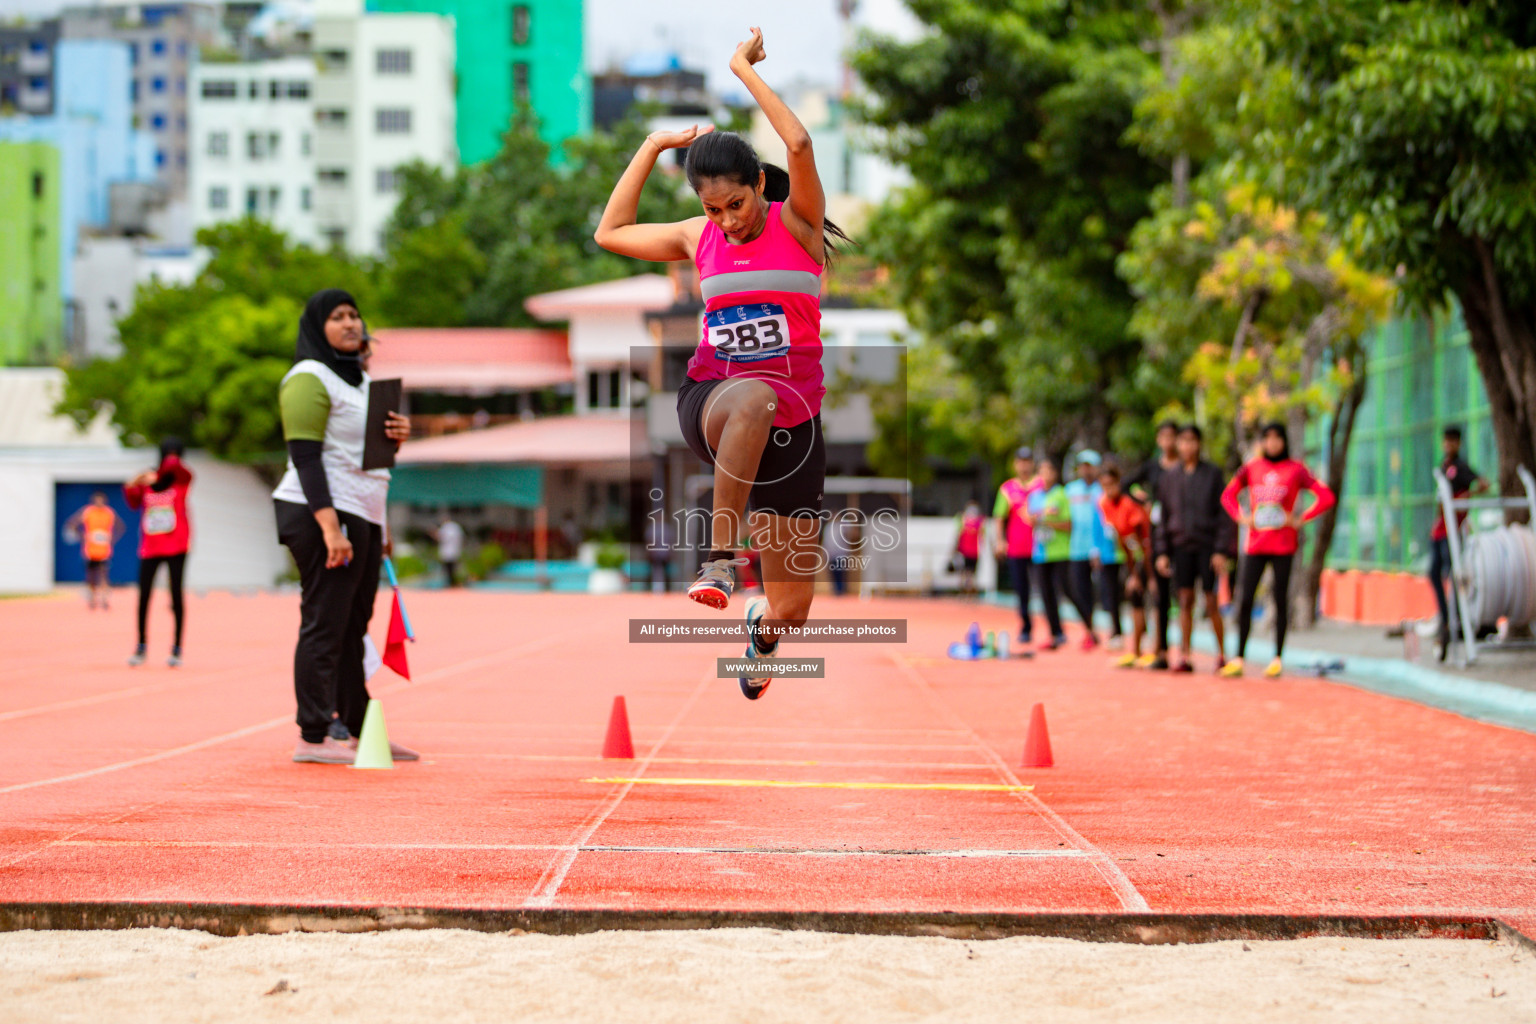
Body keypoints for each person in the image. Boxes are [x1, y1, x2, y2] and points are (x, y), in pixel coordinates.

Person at [594, 27, 850, 701]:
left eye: (736, 204)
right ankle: (718, 560)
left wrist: (741, 68)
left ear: (759, 186)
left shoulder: (796, 225)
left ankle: (761, 634)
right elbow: (611, 232)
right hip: (714, 401)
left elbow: (799, 144)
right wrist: (651, 147)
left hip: (796, 432)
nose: (727, 221)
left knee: (795, 608)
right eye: (714, 209)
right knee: (754, 395)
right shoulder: (697, 235)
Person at [273, 288, 418, 765]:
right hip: (320, 512)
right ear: (318, 328)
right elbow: (307, 459)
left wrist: (394, 440)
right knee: (325, 621)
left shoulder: (360, 383)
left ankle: (358, 730)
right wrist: (331, 528)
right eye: (338, 317)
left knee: (354, 626)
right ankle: (313, 736)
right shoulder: (308, 377)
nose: (351, 323)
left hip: (363, 512)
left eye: (355, 314)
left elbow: (369, 464)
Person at [1219, 422, 1336, 678]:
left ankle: (1277, 658)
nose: (1272, 443)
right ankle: (1238, 657)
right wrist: (1242, 517)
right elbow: (1227, 496)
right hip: (1255, 544)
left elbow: (1326, 496)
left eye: (1277, 438)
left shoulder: (1296, 469)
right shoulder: (1251, 468)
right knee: (1245, 598)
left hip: (1283, 545)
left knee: (1280, 599)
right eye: (1267, 438)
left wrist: (1301, 517)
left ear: (1284, 441)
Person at [1153, 425, 1237, 673]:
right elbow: (1163, 517)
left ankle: (1222, 654)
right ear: (1177, 445)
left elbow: (1225, 514)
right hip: (1181, 545)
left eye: (1192, 441)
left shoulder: (1212, 474)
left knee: (1211, 600)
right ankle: (1186, 655)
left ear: (1199, 444)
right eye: (1183, 441)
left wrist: (1221, 549)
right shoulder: (1169, 477)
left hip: (1207, 545)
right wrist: (1162, 552)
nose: (1187, 446)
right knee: (1185, 599)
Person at [123, 439, 193, 667]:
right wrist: (138, 478)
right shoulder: (147, 484)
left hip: (176, 546)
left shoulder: (181, 481)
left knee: (175, 596)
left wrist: (161, 471)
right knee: (144, 596)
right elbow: (131, 498)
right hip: (150, 548)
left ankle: (177, 648)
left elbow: (175, 466)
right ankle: (141, 646)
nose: (171, 457)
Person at [1428, 424, 1488, 660]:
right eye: (1446, 440)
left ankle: (1454, 619)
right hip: (1439, 530)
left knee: (1451, 573)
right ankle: (1445, 618)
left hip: (1452, 531)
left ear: (1458, 443)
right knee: (1433, 573)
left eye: (1452, 440)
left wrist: (1463, 499)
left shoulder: (1461, 468)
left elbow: (1483, 484)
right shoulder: (1443, 466)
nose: (1448, 444)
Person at [1125, 421, 1180, 668]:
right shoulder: (1152, 467)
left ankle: (1187, 652)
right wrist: (1143, 501)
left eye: (1172, 437)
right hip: (1159, 532)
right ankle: (1161, 648)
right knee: (1161, 593)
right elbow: (1126, 485)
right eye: (1164, 436)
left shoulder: (1186, 467)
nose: (1168, 441)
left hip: (1183, 531)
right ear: (1158, 440)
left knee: (1187, 594)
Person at [1029, 456, 1097, 651]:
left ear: (1055, 473)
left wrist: (1044, 521)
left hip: (1061, 551)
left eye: (1048, 470)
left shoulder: (1062, 494)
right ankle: (1056, 633)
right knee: (1046, 594)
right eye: (1041, 471)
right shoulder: (1035, 496)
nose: (1045, 475)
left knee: (1069, 591)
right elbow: (1030, 518)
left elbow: (1068, 524)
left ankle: (1089, 628)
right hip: (1041, 551)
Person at [1099, 465, 1152, 668]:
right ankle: (1136, 651)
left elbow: (1141, 539)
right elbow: (1123, 539)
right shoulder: (1104, 503)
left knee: (1146, 597)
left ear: (1118, 484)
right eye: (1104, 486)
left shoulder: (1129, 504)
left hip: (1146, 554)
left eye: (1111, 485)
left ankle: (1150, 649)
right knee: (1134, 599)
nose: (1108, 489)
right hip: (1129, 555)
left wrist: (1139, 573)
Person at [993, 448, 1041, 648]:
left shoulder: (1040, 485)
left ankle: (1055, 630)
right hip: (1017, 547)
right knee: (1022, 590)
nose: (1024, 465)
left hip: (1040, 547)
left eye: (1027, 461)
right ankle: (1026, 627)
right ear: (1015, 464)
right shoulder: (1007, 488)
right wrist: (1000, 540)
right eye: (1020, 461)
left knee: (1046, 589)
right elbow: (999, 517)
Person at [1065, 450, 1107, 651]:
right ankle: (1089, 628)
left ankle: (1099, 631)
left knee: (1098, 591)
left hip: (1100, 549)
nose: (1086, 469)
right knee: (1076, 590)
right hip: (1075, 548)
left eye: (1090, 465)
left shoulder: (1103, 489)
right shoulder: (1070, 490)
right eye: (1083, 465)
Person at [64, 492, 125, 610]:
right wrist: (82, 536)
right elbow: (72, 523)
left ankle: (104, 599)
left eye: (101, 500)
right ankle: (92, 599)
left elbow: (120, 527)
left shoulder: (109, 513)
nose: (99, 503)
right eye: (97, 500)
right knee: (91, 576)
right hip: (90, 550)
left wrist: (112, 539)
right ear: (93, 501)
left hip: (104, 550)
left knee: (104, 575)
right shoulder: (87, 512)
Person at [954, 499, 984, 596]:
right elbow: (958, 534)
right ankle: (963, 591)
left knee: (971, 573)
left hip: (974, 551)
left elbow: (982, 536)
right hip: (964, 550)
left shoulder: (980, 522)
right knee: (963, 571)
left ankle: (969, 592)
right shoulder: (962, 520)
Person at [434, 513, 464, 588]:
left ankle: (450, 584)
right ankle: (453, 583)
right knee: (453, 568)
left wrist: (433, 533)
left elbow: (441, 537)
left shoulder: (445, 527)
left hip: (447, 551)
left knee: (447, 569)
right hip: (455, 550)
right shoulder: (456, 527)